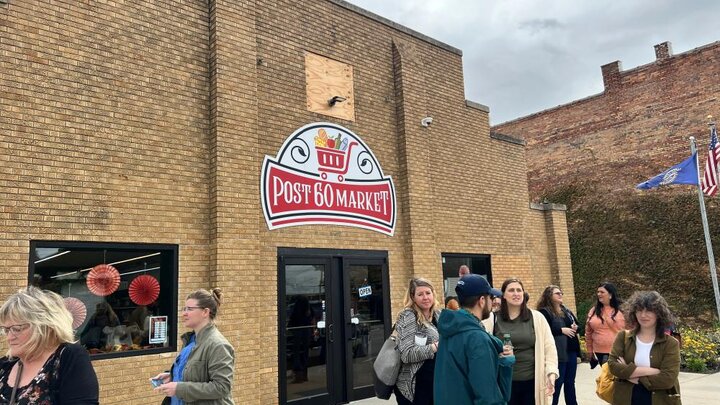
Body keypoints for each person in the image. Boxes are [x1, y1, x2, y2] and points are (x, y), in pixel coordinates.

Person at [0, 286, 99, 404]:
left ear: (45, 326)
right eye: (6, 330)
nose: (9, 337)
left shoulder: (68, 358)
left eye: (16, 329)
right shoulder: (6, 365)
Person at [434, 274, 514, 404]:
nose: (492, 302)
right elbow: (487, 396)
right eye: (491, 297)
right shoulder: (477, 338)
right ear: (482, 300)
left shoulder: (450, 330)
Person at [151, 288, 235, 405]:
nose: (183, 313)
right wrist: (172, 376)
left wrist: (179, 388)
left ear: (205, 312)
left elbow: (222, 387)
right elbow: (193, 373)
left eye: (190, 309)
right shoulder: (190, 340)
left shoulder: (218, 345)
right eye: (184, 309)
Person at [485, 278, 558, 405]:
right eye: (511, 290)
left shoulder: (537, 318)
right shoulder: (492, 319)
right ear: (504, 296)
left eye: (519, 290)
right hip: (503, 382)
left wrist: (551, 372)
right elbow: (484, 347)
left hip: (532, 382)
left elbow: (549, 347)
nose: (516, 293)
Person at [607, 291, 681, 405]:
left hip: (660, 399)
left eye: (649, 310)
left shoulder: (670, 343)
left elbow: (668, 379)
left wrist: (630, 375)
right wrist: (652, 371)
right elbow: (613, 366)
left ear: (659, 313)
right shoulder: (623, 337)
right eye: (639, 310)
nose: (643, 315)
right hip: (626, 398)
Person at [394, 278, 440, 405]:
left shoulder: (438, 314)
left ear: (433, 294)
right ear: (413, 297)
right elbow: (406, 354)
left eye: (428, 293)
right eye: (420, 294)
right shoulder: (408, 316)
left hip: (435, 382)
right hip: (415, 386)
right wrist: (434, 347)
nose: (425, 297)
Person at [537, 285, 580, 405]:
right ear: (549, 296)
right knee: (557, 383)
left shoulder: (566, 310)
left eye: (561, 293)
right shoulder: (544, 312)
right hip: (557, 353)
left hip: (570, 351)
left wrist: (575, 327)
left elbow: (577, 324)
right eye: (557, 293)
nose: (561, 295)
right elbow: (544, 331)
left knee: (570, 382)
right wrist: (561, 330)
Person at [585, 282, 625, 367]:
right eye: (598, 292)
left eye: (602, 292)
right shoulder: (593, 311)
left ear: (610, 295)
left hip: (619, 350)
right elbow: (588, 332)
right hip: (600, 352)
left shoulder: (623, 309)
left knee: (618, 376)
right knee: (606, 377)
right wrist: (589, 350)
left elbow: (632, 329)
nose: (599, 294)